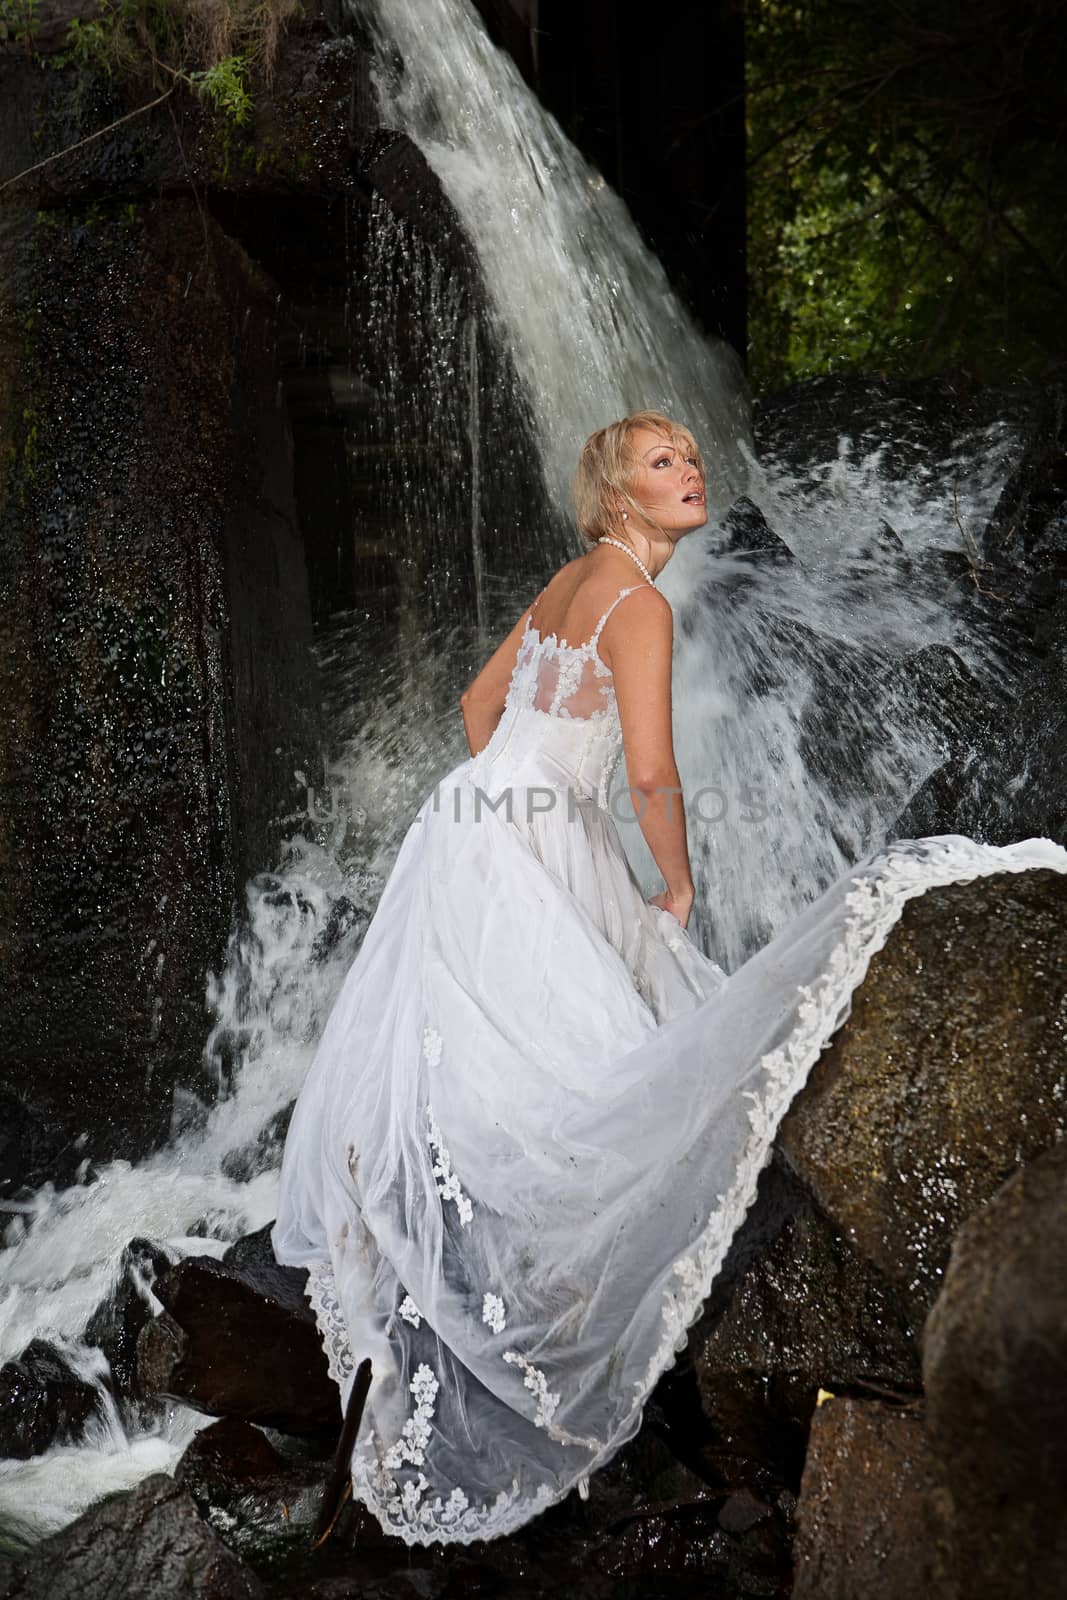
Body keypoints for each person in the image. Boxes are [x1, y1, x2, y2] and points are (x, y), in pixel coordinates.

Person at [271, 408, 1065, 1548]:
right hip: (525, 839)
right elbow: (649, 768)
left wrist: (526, 801)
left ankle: (453, 1269)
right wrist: (671, 884)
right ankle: (544, 1324)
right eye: (661, 462)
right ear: (616, 490)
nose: (688, 471)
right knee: (586, 1082)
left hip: (467, 827)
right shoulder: (636, 603)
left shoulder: (564, 582)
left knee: (501, 1057)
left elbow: (476, 711)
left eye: (690, 457)